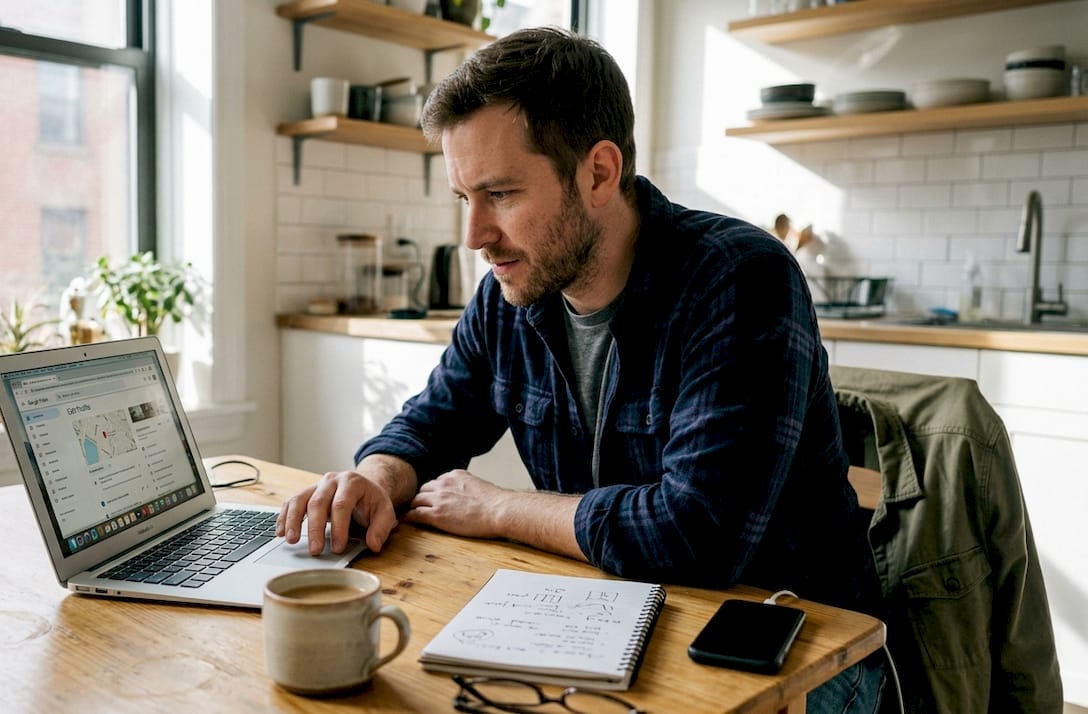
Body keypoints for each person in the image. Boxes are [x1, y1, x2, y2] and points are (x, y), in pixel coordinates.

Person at [278, 27, 885, 711]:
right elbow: (436, 416)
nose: (473, 235)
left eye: (501, 194)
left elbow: (697, 537)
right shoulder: (509, 295)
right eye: (463, 198)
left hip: (796, 649)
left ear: (598, 172)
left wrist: (501, 507)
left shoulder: (740, 278)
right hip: (608, 616)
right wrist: (375, 478)